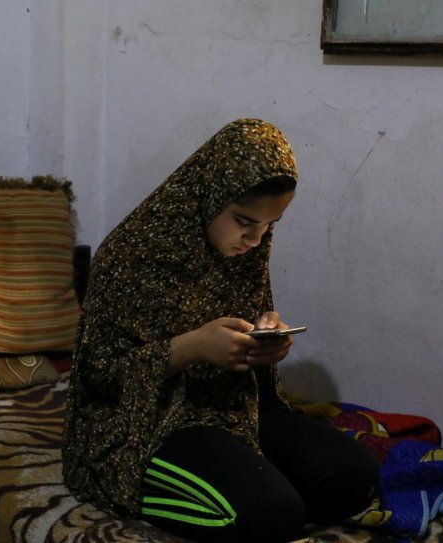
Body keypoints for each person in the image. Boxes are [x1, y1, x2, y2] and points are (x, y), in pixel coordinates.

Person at [62, 118, 379, 542]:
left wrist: (264, 340)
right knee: (272, 515)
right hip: (146, 423)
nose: (254, 237)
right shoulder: (133, 254)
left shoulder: (248, 247)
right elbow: (98, 375)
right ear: (210, 195)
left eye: (269, 224)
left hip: (232, 408)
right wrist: (191, 347)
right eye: (244, 221)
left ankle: (255, 483)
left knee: (354, 475)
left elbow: (246, 323)